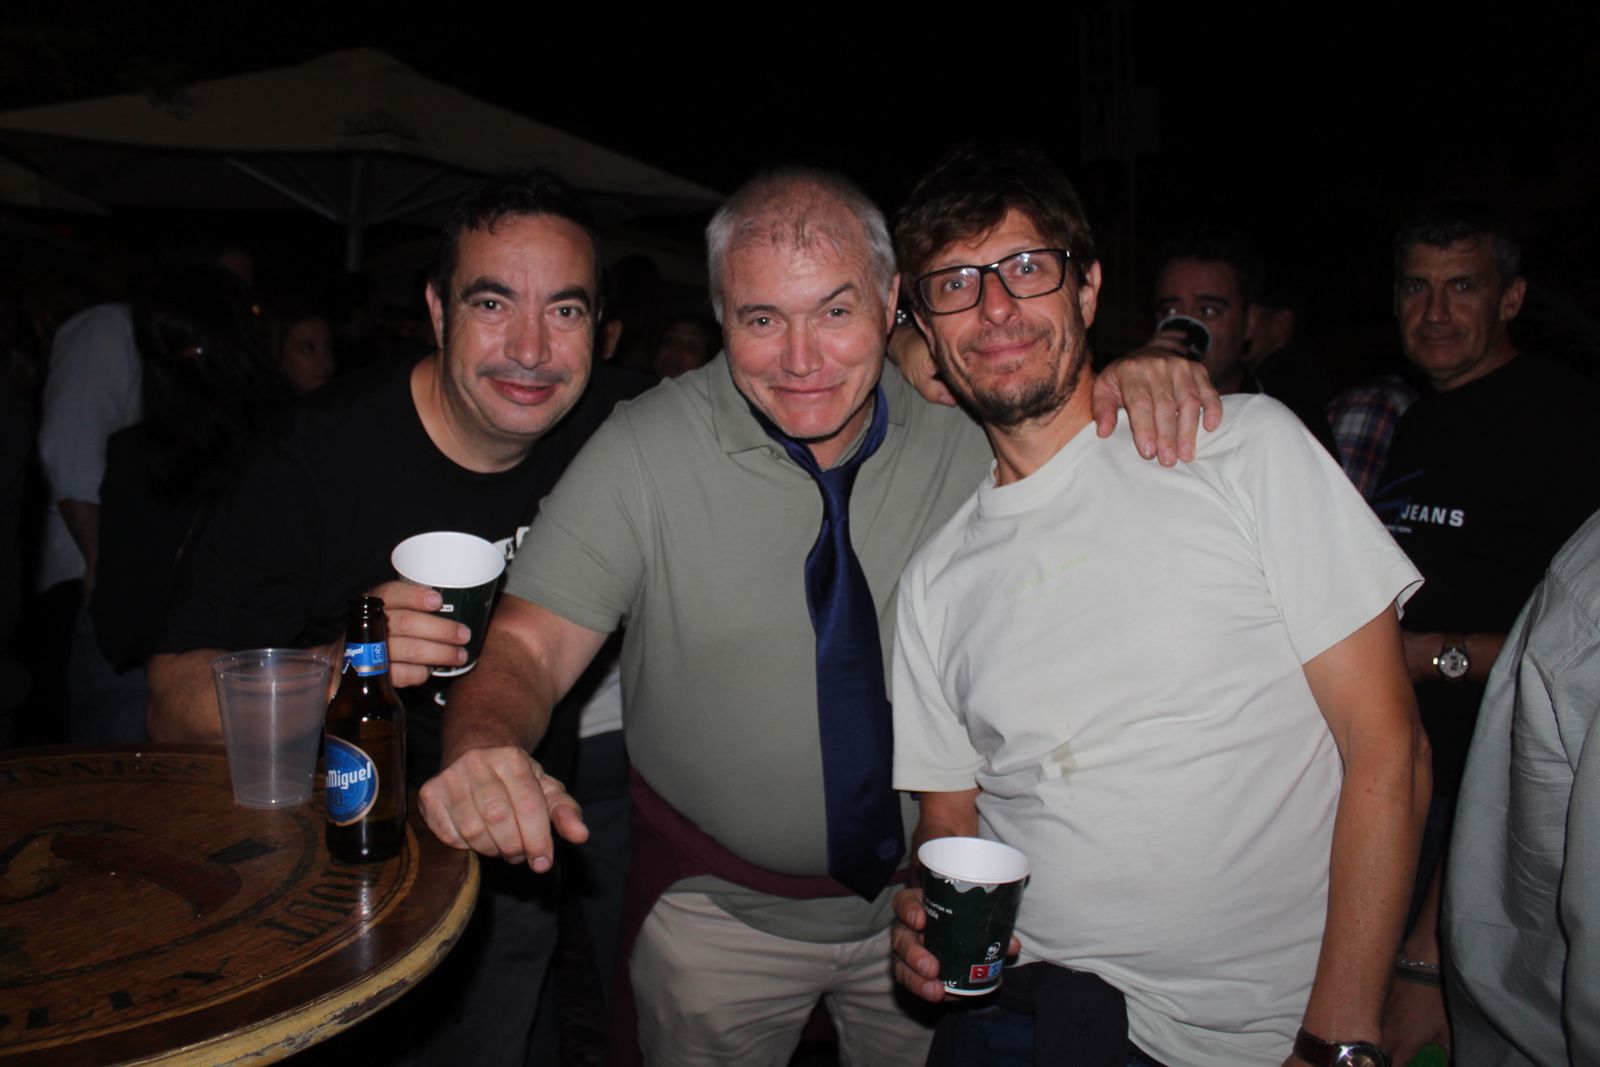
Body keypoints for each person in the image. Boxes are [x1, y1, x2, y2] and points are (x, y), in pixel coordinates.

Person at [415, 166, 1222, 1067]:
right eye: (763, 319)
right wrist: (482, 744)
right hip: (715, 909)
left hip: (939, 903)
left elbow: (1064, 397)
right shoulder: (646, 451)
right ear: (722, 317)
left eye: (835, 312)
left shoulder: (968, 424)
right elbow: (528, 641)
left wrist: (1143, 371)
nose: (801, 359)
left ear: (889, 303)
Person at [886, 142, 1428, 1067]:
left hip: (1256, 1038)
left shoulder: (1243, 449)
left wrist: (1338, 1040)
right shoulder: (934, 582)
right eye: (954, 284)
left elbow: (1390, 748)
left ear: (1088, 289)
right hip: (1024, 1014)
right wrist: (920, 912)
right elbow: (948, 819)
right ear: (926, 333)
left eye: (1026, 268)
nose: (996, 307)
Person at [147, 168, 648, 1064]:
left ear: (601, 329)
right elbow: (169, 700)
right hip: (325, 876)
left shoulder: (621, 425)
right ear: (438, 309)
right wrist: (338, 663)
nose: (530, 348)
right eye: (494, 302)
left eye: (565, 311)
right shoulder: (314, 461)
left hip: (511, 855)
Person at [1370, 206, 1600, 931]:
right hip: (1408, 767)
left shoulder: (1566, 418)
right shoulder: (1416, 420)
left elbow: (1587, 641)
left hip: (1501, 789)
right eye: (1415, 288)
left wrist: (1434, 657)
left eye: (1462, 286)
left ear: (1511, 298)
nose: (1434, 312)